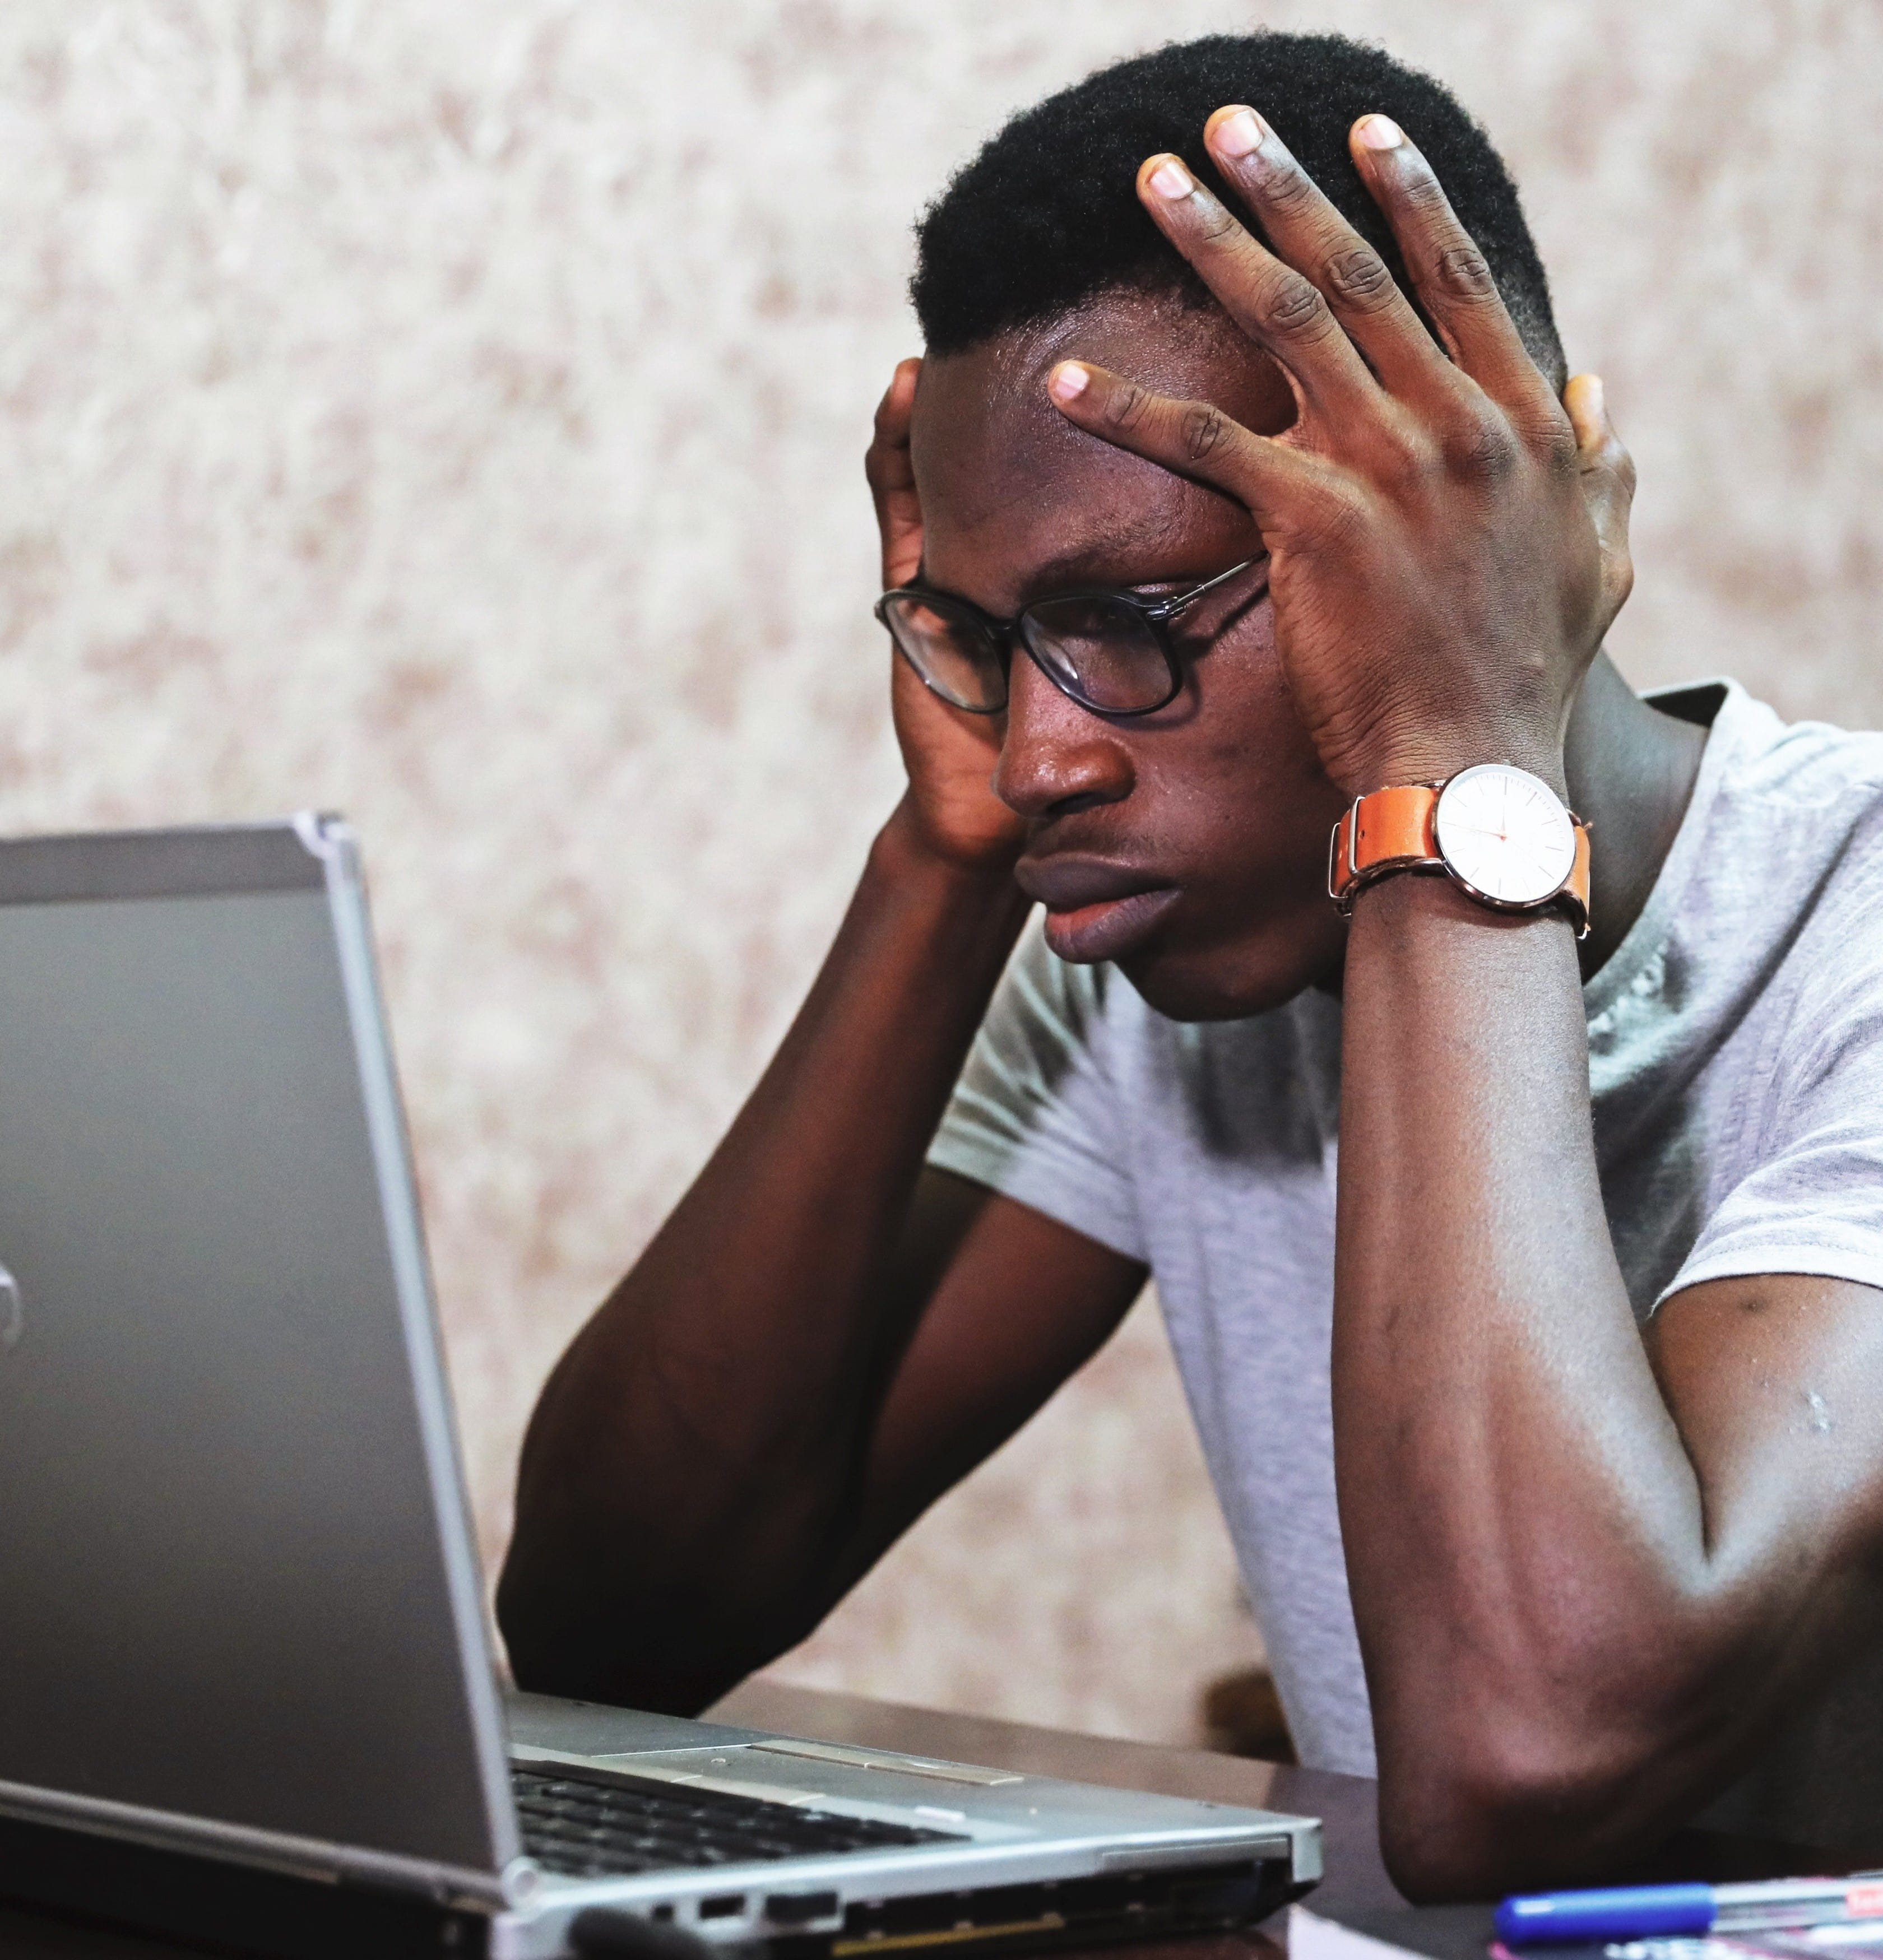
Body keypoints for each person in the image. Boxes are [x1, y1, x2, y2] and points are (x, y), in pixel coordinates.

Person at [497, 32, 1883, 1896]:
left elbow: (1521, 1752)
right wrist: (943, 854)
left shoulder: (1849, 922)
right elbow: (613, 1624)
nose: (1049, 749)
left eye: (1130, 622)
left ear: (1477, 526)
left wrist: (1446, 767)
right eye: (987, 639)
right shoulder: (1155, 951)